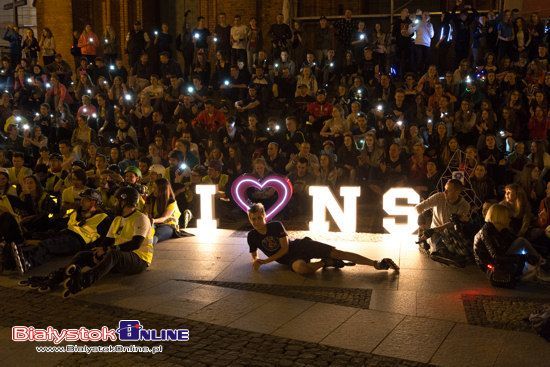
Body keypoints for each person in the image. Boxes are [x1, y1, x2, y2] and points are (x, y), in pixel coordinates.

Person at [247, 203, 399, 275]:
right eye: (253, 219)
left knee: (338, 252)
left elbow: (285, 248)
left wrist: (265, 262)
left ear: (265, 216)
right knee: (302, 269)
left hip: (301, 246)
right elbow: (254, 254)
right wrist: (256, 260)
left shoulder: (275, 226)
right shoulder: (251, 236)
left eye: (259, 218)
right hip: (290, 260)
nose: (256, 222)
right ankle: (325, 262)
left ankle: (376, 263)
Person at [62, 186, 154, 297]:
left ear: (124, 202)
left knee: (113, 254)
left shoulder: (141, 218)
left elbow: (135, 244)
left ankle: (84, 280)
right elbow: (108, 240)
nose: (114, 204)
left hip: (140, 259)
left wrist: (107, 250)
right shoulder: (117, 219)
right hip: (119, 256)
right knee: (84, 254)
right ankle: (58, 276)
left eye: (116, 201)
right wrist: (99, 251)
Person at [9, 189, 110, 277]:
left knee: (49, 245)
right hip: (67, 233)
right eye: (82, 199)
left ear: (93, 202)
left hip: (79, 240)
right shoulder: (77, 212)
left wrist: (93, 251)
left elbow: (104, 237)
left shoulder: (103, 217)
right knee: (48, 247)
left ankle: (27, 262)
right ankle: (15, 260)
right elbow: (64, 224)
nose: (81, 202)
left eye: (85, 200)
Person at [473, 203, 547, 285]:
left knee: (522, 243)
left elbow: (514, 239)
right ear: (500, 217)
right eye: (507, 216)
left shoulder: (501, 229)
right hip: (490, 263)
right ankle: (541, 264)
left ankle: (539, 264)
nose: (509, 219)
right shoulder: (486, 232)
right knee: (521, 242)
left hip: (499, 255)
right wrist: (519, 257)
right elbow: (495, 256)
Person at [415, 179, 471, 266]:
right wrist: (422, 222)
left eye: (448, 190)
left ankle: (446, 253)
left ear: (457, 192)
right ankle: (442, 252)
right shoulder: (439, 197)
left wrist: (433, 230)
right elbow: (419, 207)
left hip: (451, 234)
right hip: (435, 233)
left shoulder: (465, 205)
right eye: (445, 189)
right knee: (437, 239)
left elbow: (453, 223)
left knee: (454, 240)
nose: (445, 191)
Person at [145, 177, 181, 244]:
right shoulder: (150, 198)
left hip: (168, 225)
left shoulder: (171, 202)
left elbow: (164, 218)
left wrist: (153, 220)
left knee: (157, 235)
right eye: (153, 187)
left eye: (155, 188)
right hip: (154, 223)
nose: (153, 190)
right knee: (146, 232)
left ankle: (148, 244)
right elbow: (147, 213)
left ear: (162, 189)